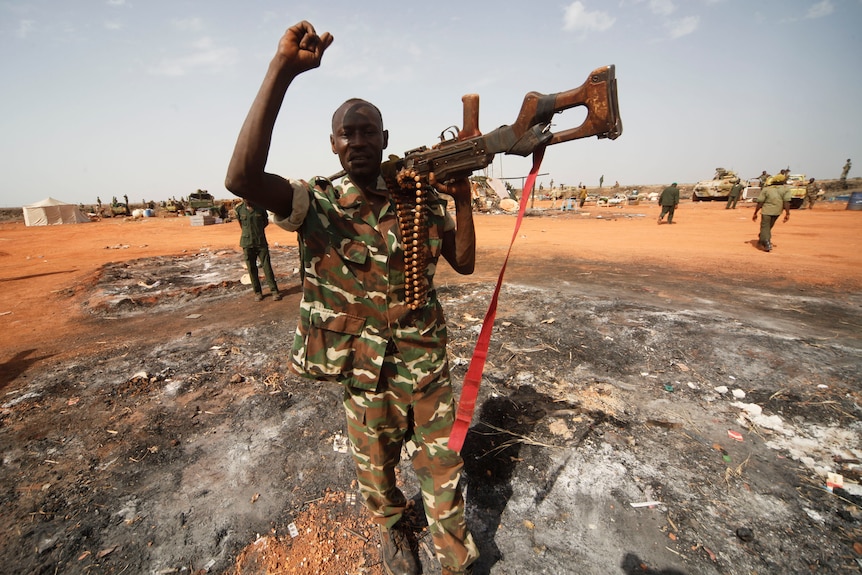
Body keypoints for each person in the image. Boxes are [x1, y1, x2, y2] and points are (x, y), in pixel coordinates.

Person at [224, 21, 479, 575]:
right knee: (377, 462)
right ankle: (392, 530)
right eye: (348, 133)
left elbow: (463, 261)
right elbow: (241, 177)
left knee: (442, 459)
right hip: (364, 368)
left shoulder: (418, 197)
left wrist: (461, 199)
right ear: (333, 143)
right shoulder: (314, 205)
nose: (359, 141)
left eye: (369, 132)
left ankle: (454, 554)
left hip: (424, 358)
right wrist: (282, 70)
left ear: (385, 140)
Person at [235, 198, 281, 301]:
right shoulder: (239, 209)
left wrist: (257, 231)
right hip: (247, 243)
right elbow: (241, 224)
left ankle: (274, 291)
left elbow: (265, 222)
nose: (247, 198)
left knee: (267, 267)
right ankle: (258, 293)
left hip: (261, 242)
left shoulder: (260, 208)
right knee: (251, 269)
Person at [752, 180, 791, 252]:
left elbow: (760, 202)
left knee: (765, 226)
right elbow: (786, 202)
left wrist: (755, 212)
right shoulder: (786, 189)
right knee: (769, 226)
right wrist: (787, 213)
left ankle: (766, 243)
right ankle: (762, 239)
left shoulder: (766, 189)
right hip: (777, 211)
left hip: (766, 211)